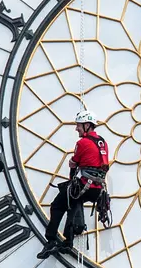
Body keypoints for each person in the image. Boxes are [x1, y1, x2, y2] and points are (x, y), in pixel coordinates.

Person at [37, 109, 110, 259]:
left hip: (84, 185)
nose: (76, 128)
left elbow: (74, 162)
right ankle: (68, 240)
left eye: (79, 125)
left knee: (57, 204)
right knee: (73, 203)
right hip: (98, 189)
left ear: (87, 125)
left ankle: (50, 240)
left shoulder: (82, 142)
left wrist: (72, 163)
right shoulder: (103, 142)